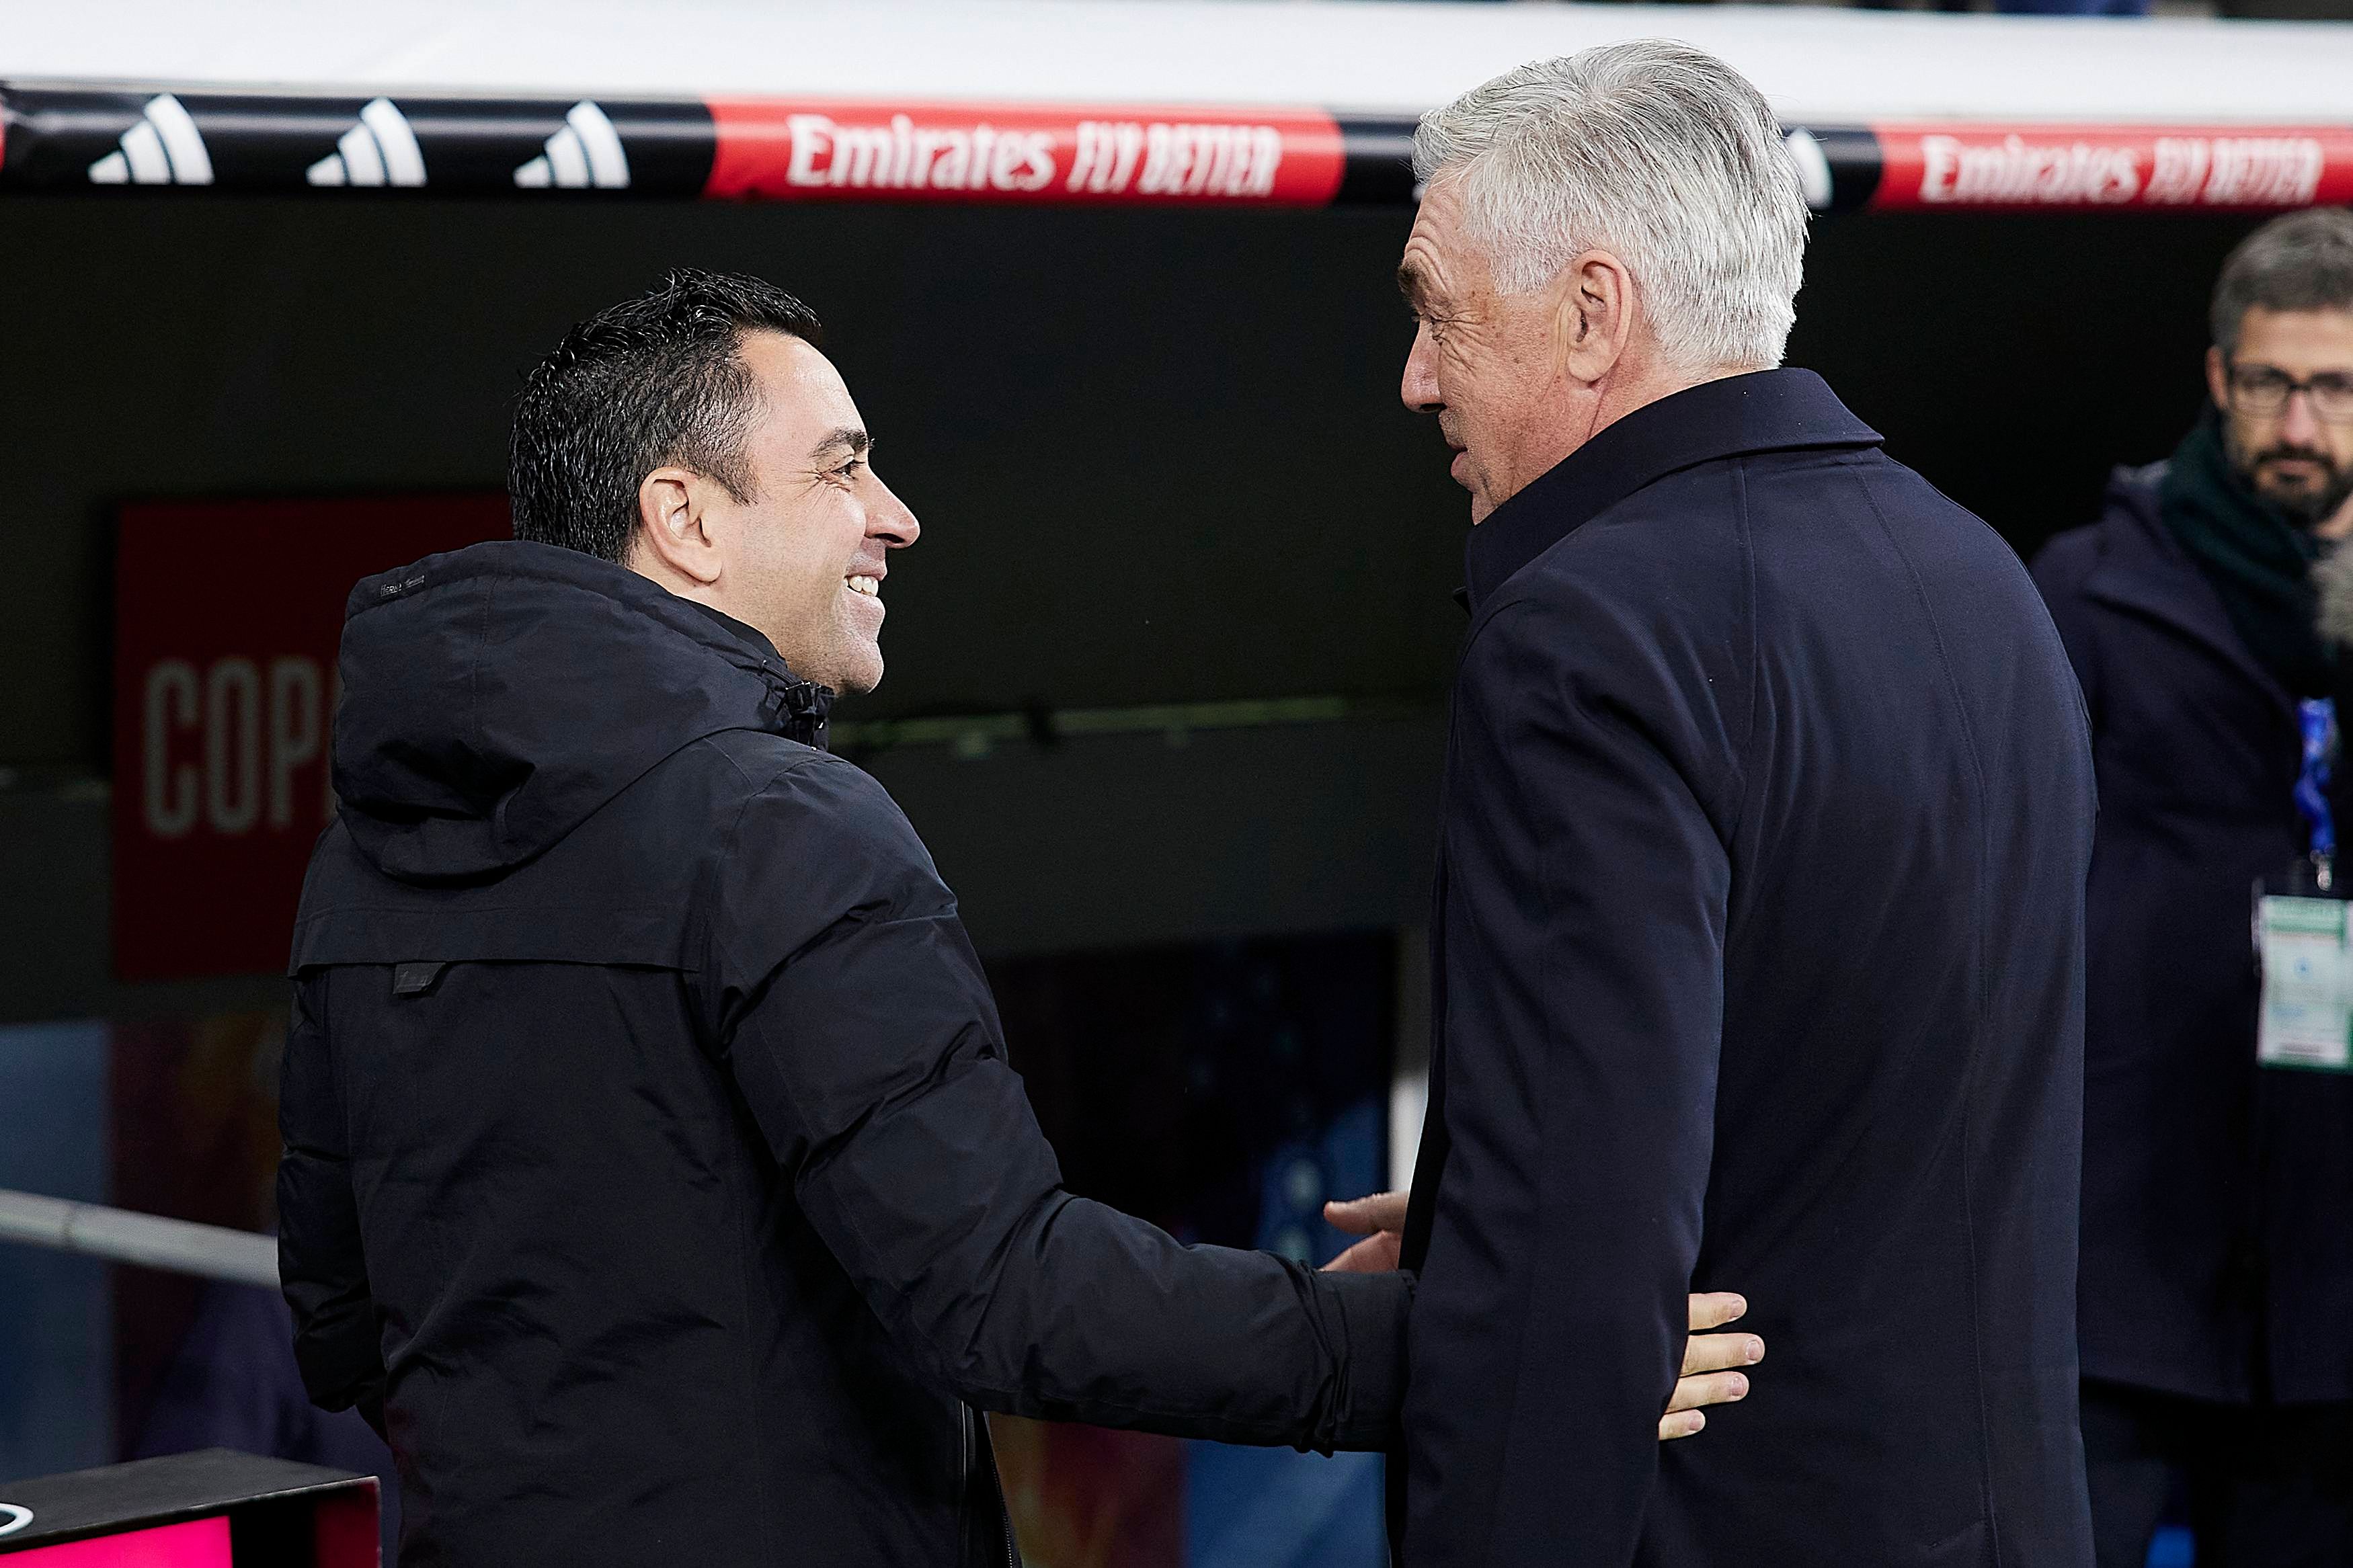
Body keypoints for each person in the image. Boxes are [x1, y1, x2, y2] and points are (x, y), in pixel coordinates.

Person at [273, 270, 1759, 1566]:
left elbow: (340, 1332)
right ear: (685, 520)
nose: (894, 519)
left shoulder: (361, 862)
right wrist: (1481, 1351)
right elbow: (1006, 1298)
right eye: (840, 470)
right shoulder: (774, 828)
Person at [1336, 42, 2097, 1567]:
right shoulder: (1981, 575)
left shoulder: (1583, 629)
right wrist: (1487, 1219)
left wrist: (1519, 1263)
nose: (1414, 377)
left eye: (1435, 311)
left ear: (1592, 315)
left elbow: (1589, 1225)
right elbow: (1861, 1102)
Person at [2033, 208, 2353, 1568]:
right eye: (2274, 383)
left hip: (2332, 1266)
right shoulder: (2091, 593)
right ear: (2219, 379)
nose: (2301, 422)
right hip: (2125, 1244)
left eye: (2336, 387)